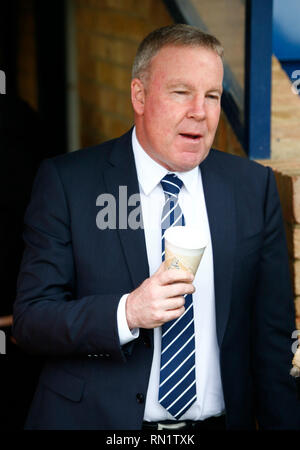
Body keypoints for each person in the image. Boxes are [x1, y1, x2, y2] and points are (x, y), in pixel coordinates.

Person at [12, 24, 300, 430]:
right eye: (182, 92)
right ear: (140, 96)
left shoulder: (253, 188)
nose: (200, 111)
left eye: (213, 95)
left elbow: (273, 339)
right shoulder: (69, 183)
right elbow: (31, 320)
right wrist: (127, 312)